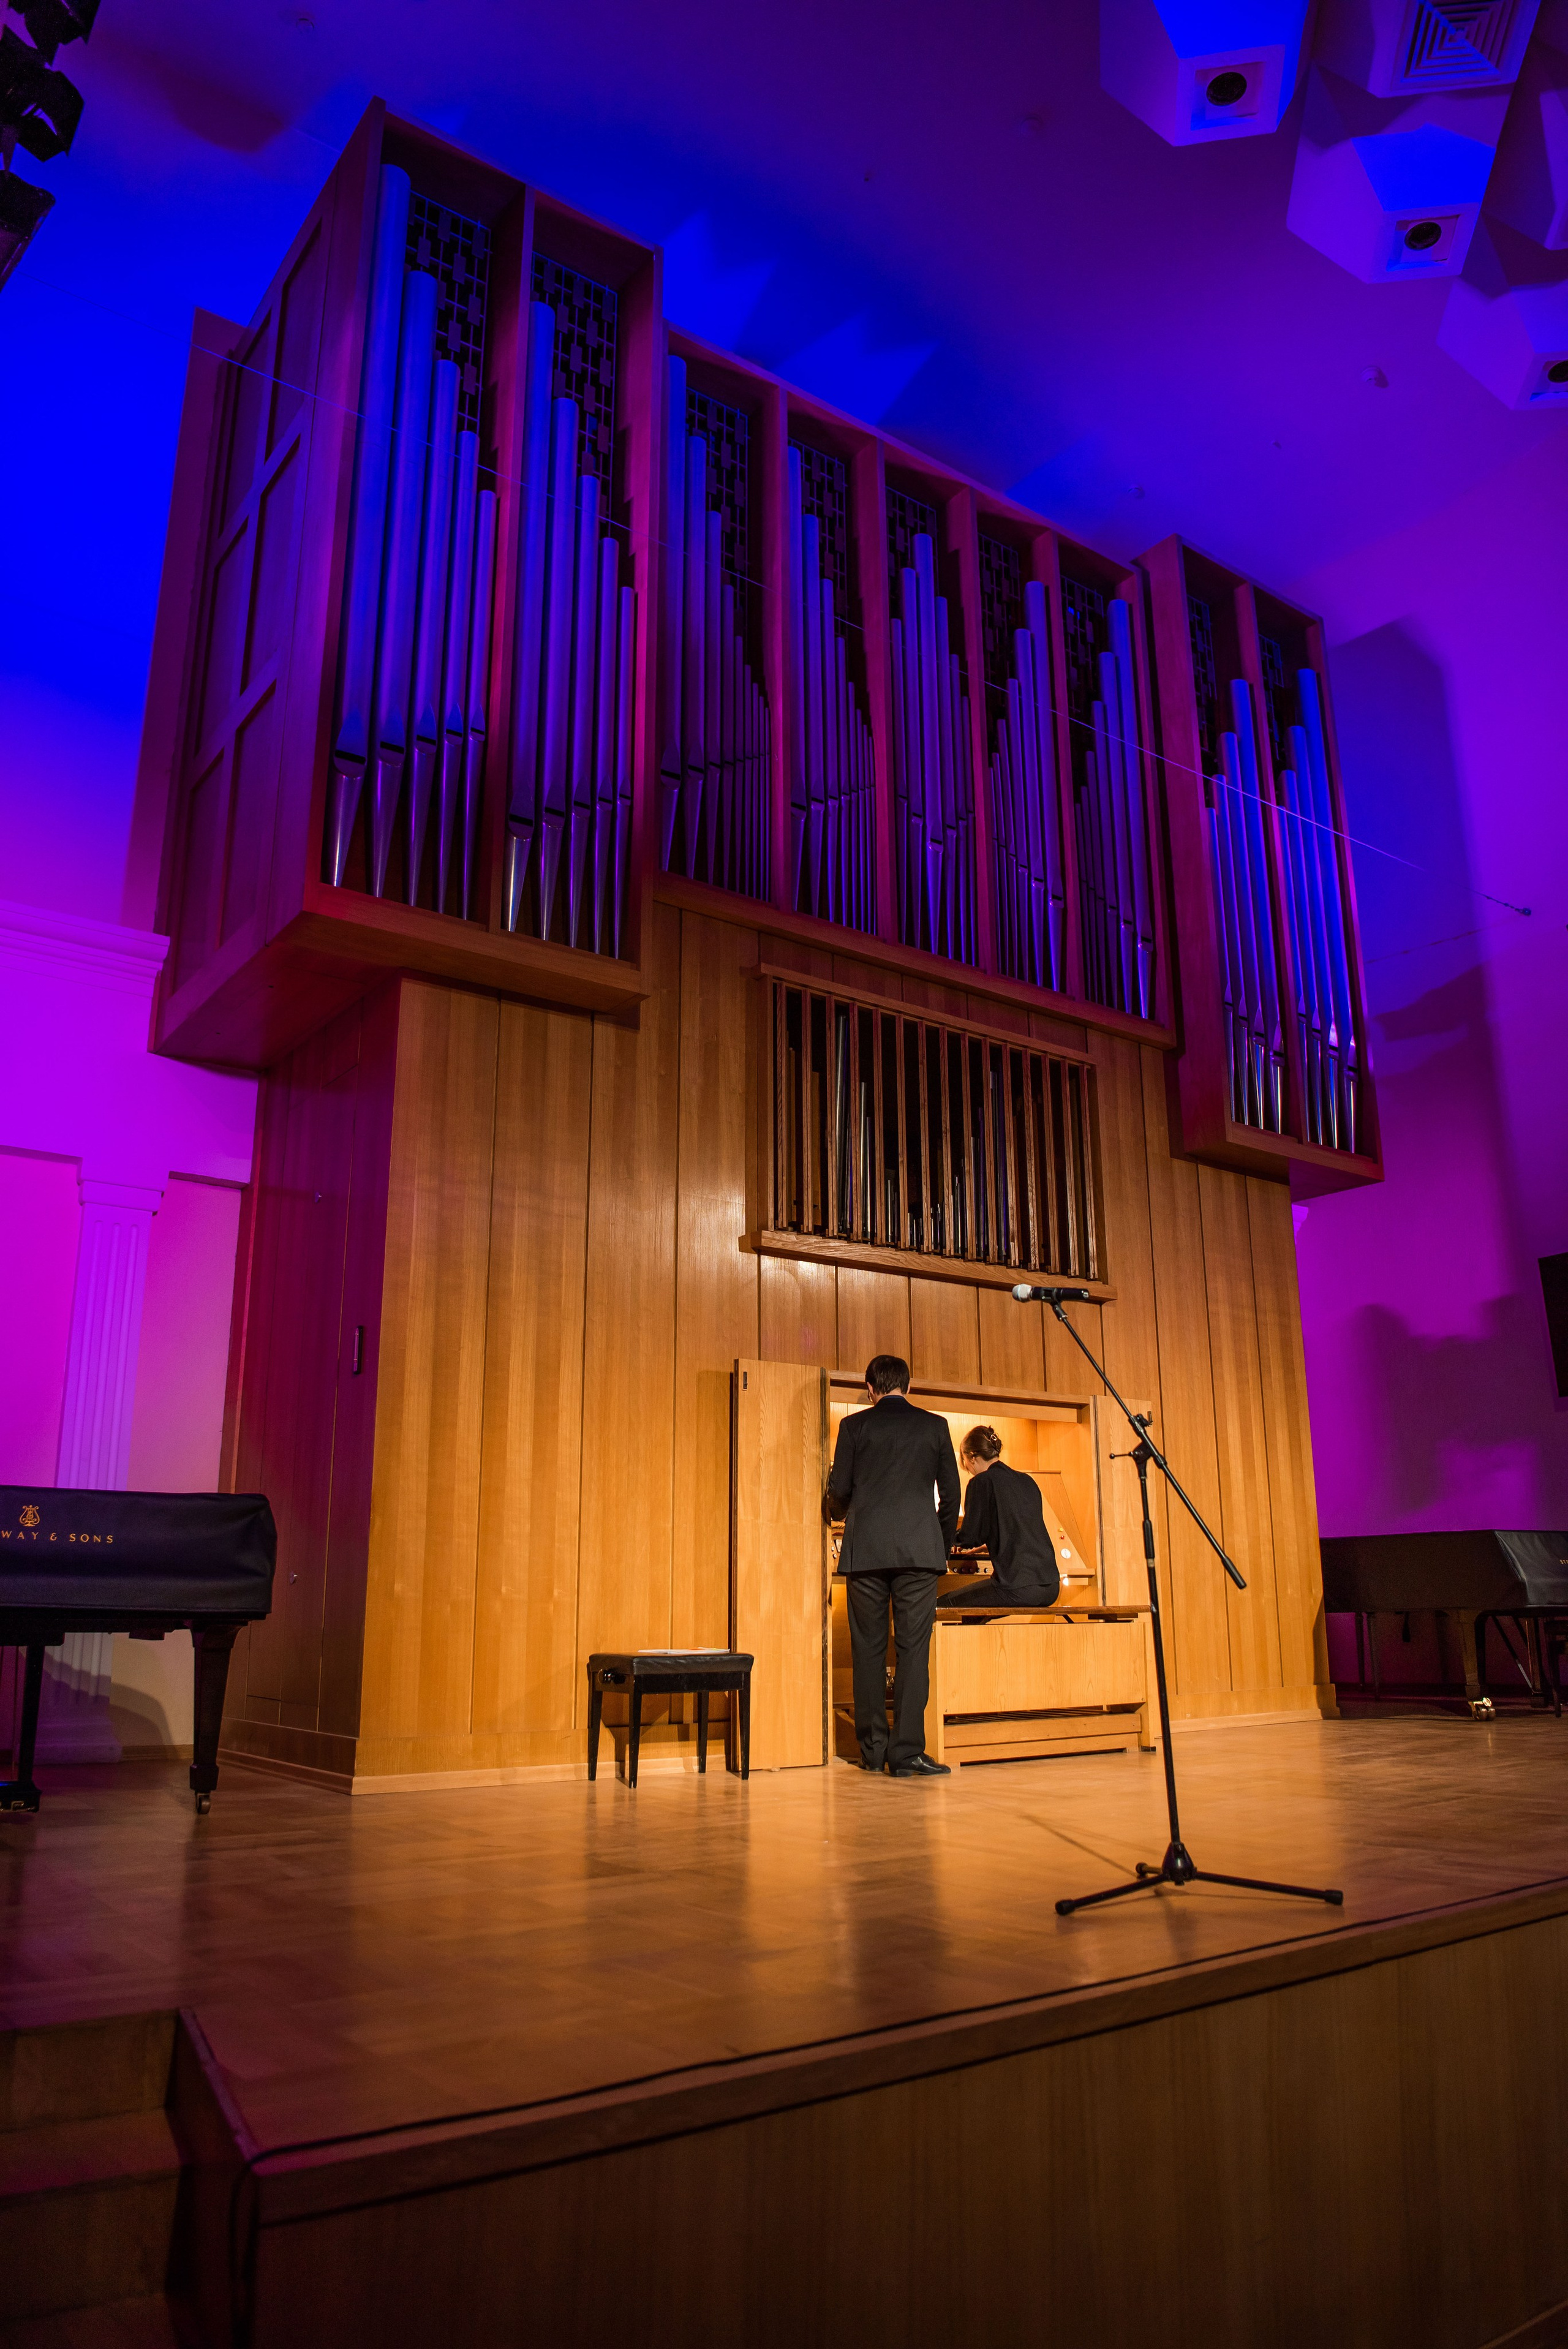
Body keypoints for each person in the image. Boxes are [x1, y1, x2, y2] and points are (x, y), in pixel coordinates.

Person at [824, 1355, 960, 1778]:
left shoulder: (853, 1426)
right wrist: (938, 1545)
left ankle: (872, 1750)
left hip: (866, 1551)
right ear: (908, 1385)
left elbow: (839, 1490)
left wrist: (842, 1511)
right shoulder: (935, 1426)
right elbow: (951, 1496)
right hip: (920, 1553)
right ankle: (907, 1753)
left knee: (867, 1649)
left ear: (870, 1389)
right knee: (913, 1650)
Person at [946, 1427, 1060, 1608]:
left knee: (944, 1605)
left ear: (972, 1457)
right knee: (974, 1614)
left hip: (1018, 1586)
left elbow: (971, 1537)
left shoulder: (982, 1482)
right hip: (1051, 1587)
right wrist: (989, 1545)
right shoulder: (1026, 1480)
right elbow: (1021, 1528)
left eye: (965, 1461)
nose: (968, 1468)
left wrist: (951, 1538)